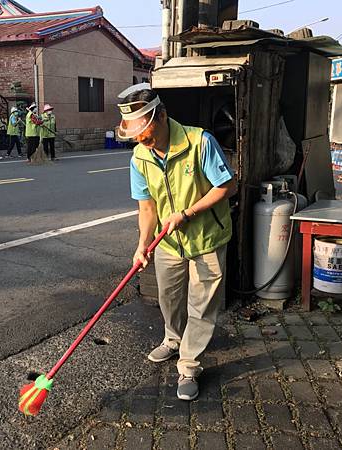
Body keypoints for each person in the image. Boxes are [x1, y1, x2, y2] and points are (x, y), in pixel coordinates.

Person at [119, 87, 235, 401]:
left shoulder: (200, 142)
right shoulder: (139, 157)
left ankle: (189, 365)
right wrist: (143, 244)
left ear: (163, 116)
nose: (142, 138)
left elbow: (226, 186)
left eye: (146, 131)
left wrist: (187, 213)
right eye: (136, 134)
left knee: (201, 306)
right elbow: (147, 207)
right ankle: (173, 340)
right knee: (168, 299)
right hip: (169, 244)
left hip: (206, 238)